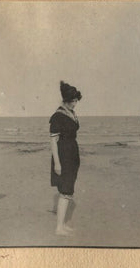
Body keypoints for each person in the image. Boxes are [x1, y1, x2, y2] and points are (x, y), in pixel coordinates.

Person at [49, 80, 82, 236]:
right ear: (65, 100)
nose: (75, 104)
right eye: (72, 101)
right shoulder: (57, 116)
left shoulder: (71, 113)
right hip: (63, 155)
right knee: (65, 190)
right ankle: (59, 228)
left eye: (76, 101)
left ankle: (62, 225)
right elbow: (53, 141)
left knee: (68, 190)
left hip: (72, 153)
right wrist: (57, 163)